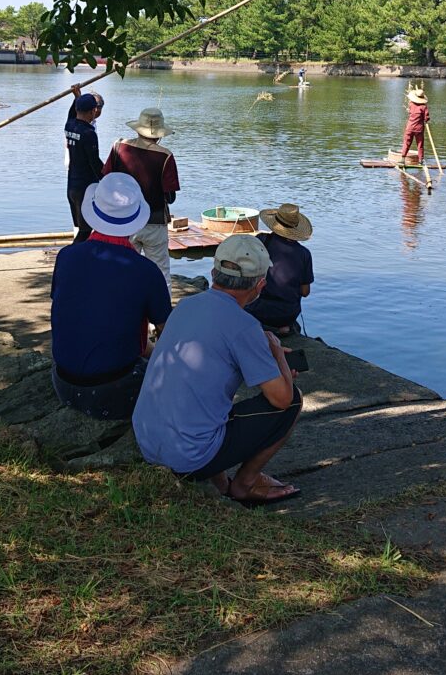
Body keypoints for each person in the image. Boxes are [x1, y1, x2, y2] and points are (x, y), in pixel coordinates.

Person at [133, 234, 304, 507]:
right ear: (260, 286)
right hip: (188, 458)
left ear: (214, 273)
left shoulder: (186, 306)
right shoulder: (245, 327)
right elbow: (281, 398)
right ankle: (244, 485)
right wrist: (276, 353)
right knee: (293, 400)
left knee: (205, 399)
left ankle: (221, 483)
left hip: (148, 442)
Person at [50, 173, 172, 420]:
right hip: (113, 389)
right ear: (136, 220)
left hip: (62, 381)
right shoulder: (146, 271)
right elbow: (167, 334)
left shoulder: (66, 256)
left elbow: (77, 312)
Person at [102, 107, 180, 288]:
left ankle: (123, 310)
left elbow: (106, 179)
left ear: (138, 128)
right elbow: (170, 196)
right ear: (159, 133)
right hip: (154, 222)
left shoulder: (119, 147)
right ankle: (162, 314)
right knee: (160, 272)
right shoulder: (166, 156)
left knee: (123, 269)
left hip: (124, 221)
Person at [247, 203, 314, 335]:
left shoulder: (261, 240)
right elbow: (305, 292)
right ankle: (282, 328)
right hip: (287, 314)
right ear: (296, 228)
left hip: (257, 309)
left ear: (275, 223)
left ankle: (266, 327)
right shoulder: (304, 254)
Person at [64, 93, 103, 242]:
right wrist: (108, 178)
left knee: (81, 227)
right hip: (85, 188)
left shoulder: (69, 126)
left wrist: (76, 97)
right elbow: (94, 162)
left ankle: (80, 258)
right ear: (93, 111)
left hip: (72, 186)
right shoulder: (89, 133)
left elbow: (71, 113)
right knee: (85, 231)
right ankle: (72, 257)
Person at [399, 84, 430, 164]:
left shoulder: (411, 104)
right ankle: (420, 160)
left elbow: (410, 112)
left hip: (410, 127)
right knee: (420, 144)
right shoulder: (424, 107)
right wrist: (426, 119)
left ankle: (403, 158)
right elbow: (426, 118)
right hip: (419, 129)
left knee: (407, 142)